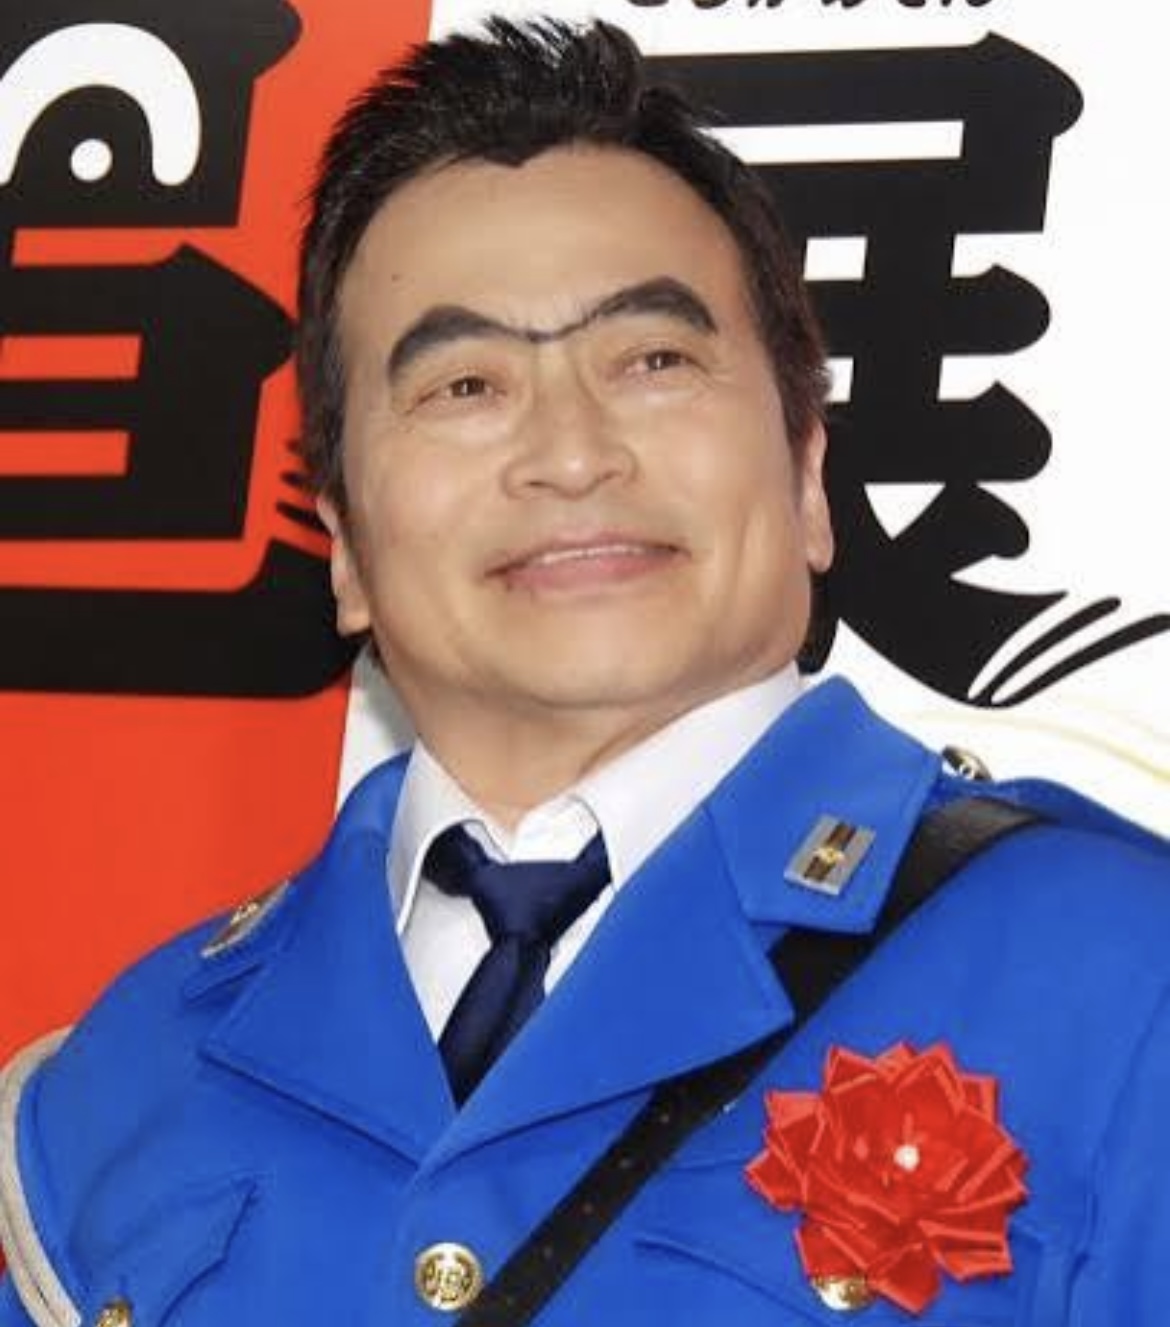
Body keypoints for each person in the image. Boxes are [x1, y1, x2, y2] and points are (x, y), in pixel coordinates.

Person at [2, 16, 1168, 1327]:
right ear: (345, 546)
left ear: (806, 476)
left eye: (653, 360)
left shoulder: (1123, 984)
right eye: (463, 386)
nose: (568, 453)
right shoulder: (120, 1076)